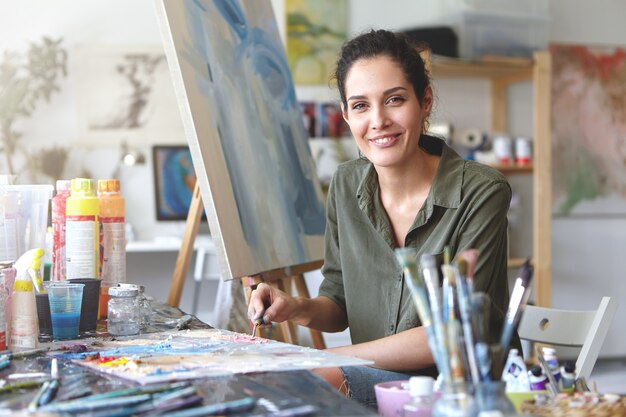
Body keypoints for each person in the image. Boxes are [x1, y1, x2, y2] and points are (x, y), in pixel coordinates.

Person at [248, 29, 514, 407]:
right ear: (345, 114)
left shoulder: (481, 191)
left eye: (394, 100)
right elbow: (337, 305)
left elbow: (449, 334)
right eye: (360, 106)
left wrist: (322, 360)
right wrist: (296, 307)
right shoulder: (346, 183)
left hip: (459, 393)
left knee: (300, 386)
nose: (378, 120)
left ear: (425, 101)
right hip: (373, 382)